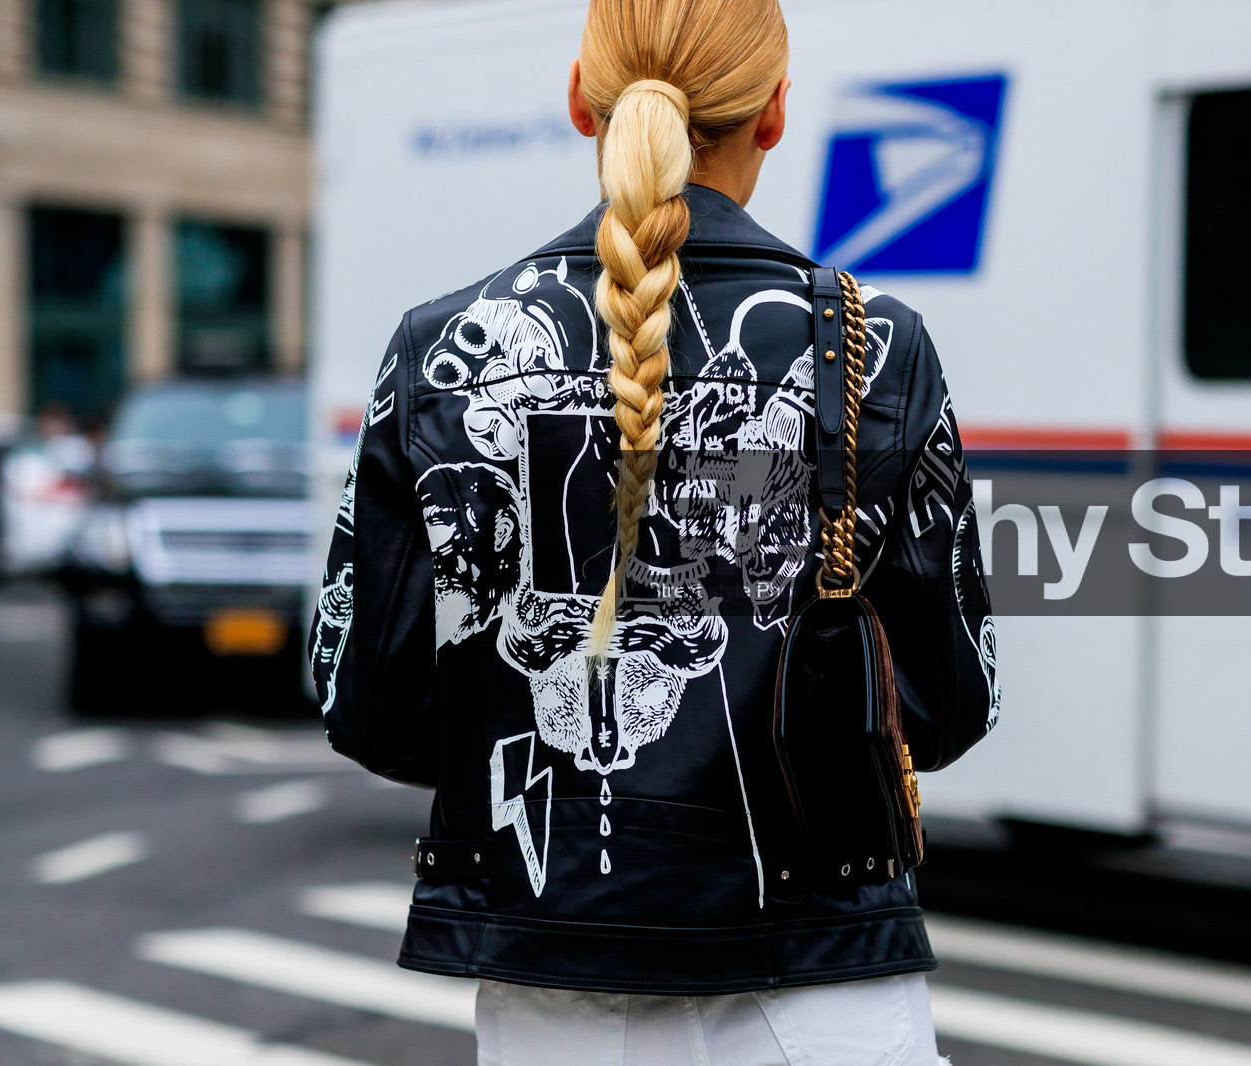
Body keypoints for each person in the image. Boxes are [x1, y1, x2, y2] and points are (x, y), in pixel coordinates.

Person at [311, 1, 999, 1062]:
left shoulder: (437, 349)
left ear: (580, 98)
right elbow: (952, 704)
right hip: (815, 977)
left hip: (548, 983)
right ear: (773, 113)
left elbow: (371, 706)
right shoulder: (875, 347)